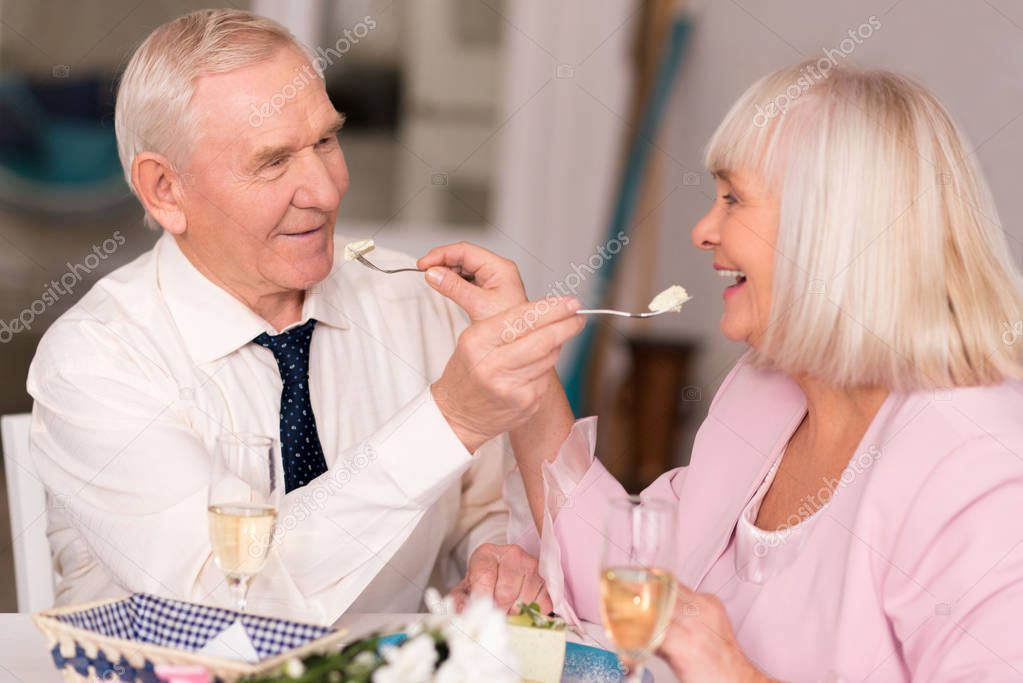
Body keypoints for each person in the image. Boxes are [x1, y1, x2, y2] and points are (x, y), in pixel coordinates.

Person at [422, 61, 1023, 680]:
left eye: (733, 197)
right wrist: (522, 358)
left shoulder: (978, 464)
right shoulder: (763, 392)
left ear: (833, 228)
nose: (703, 230)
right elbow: (640, 576)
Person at [26, 9, 584, 624]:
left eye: (324, 140)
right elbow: (221, 602)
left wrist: (492, 560)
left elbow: (478, 510)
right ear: (164, 190)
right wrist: (448, 419)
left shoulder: (416, 301)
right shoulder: (96, 360)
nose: (326, 188)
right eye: (272, 162)